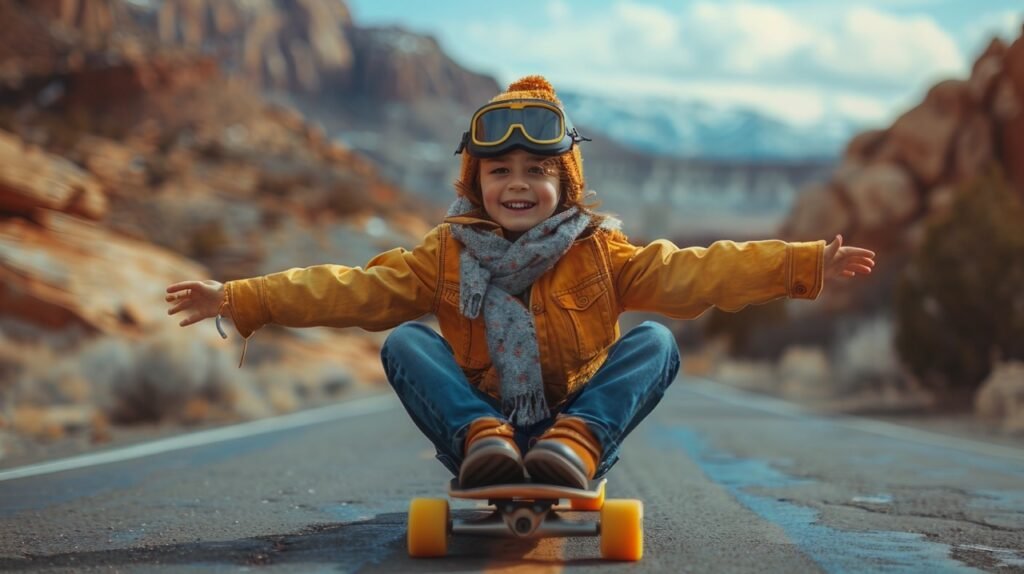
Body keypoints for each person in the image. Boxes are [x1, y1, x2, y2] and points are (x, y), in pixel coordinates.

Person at [166, 76, 876, 490]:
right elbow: (348, 288)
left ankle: (571, 446)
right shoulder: (443, 254)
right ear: (475, 184)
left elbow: (699, 271)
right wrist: (241, 297)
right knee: (407, 342)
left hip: (576, 430)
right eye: (499, 171)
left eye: (535, 172)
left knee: (655, 339)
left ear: (563, 185)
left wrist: (802, 262)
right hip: (483, 433)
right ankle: (484, 441)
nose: (517, 184)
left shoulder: (602, 251)